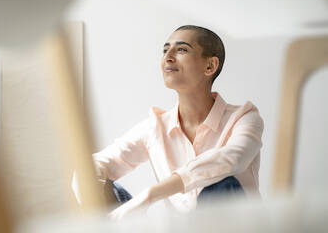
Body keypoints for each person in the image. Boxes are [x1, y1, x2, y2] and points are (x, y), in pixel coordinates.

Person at [73, 25, 264, 220]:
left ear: (210, 66)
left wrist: (150, 195)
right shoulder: (155, 128)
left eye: (181, 49)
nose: (168, 57)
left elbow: (233, 159)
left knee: (223, 184)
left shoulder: (244, 118)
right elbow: (93, 165)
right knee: (97, 182)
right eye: (165, 50)